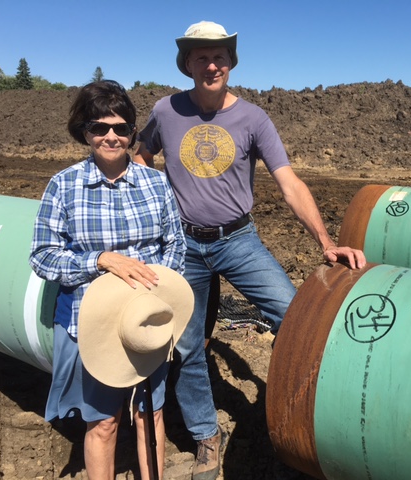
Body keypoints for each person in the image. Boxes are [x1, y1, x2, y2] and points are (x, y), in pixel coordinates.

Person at [134, 20, 366, 480]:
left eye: (219, 55)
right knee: (186, 344)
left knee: (297, 315)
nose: (212, 64)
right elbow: (142, 156)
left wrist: (324, 241)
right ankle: (206, 437)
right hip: (183, 244)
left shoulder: (254, 118)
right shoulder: (165, 110)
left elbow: (289, 182)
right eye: (201, 56)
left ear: (231, 63)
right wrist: (153, 201)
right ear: (187, 64)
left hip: (238, 240)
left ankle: (305, 416)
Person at [29, 80, 186, 480]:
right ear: (85, 132)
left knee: (150, 416)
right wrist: (100, 260)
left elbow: (176, 244)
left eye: (120, 128)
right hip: (91, 324)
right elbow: (43, 257)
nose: (111, 136)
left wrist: (157, 291)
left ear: (133, 133)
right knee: (103, 423)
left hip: (147, 323)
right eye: (99, 128)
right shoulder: (63, 186)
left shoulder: (155, 182)